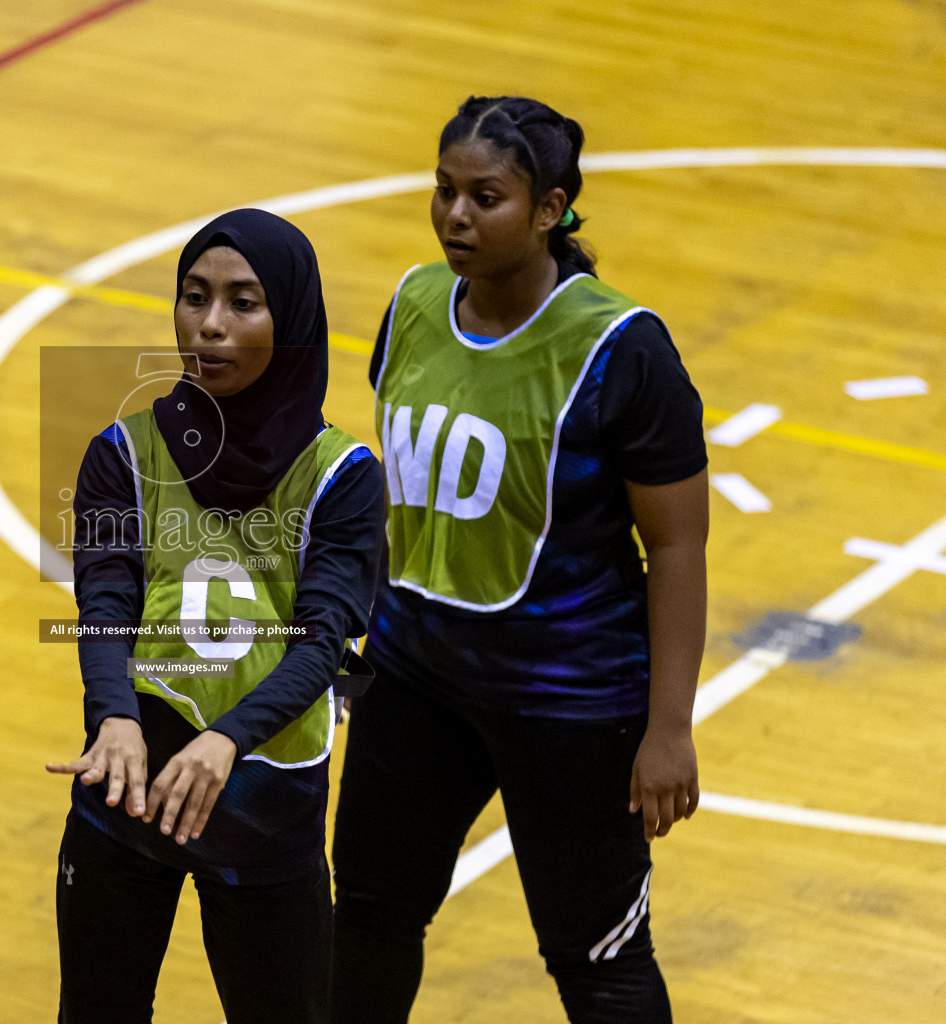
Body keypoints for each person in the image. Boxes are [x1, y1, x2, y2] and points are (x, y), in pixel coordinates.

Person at [329, 96, 709, 1023]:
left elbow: (678, 545)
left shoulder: (622, 349)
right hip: (414, 679)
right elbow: (398, 490)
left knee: (597, 964)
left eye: (485, 197)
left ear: (550, 209)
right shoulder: (415, 302)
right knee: (368, 921)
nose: (456, 215)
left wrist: (669, 730)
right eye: (445, 191)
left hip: (571, 702)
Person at [47, 208, 385, 1024]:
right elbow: (105, 604)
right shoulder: (122, 454)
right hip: (127, 787)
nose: (210, 326)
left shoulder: (342, 478)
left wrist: (226, 739)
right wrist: (114, 717)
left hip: (264, 804)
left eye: (243, 303)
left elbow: (319, 648)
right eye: (194, 297)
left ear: (292, 318)